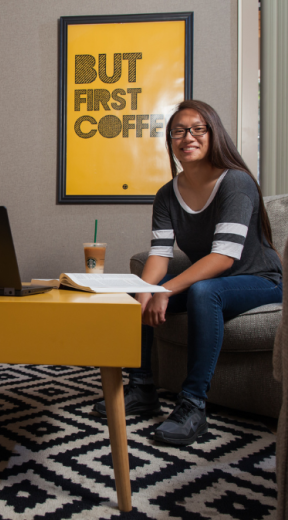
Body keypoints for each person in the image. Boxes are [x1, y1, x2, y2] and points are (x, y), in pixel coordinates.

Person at [94, 100, 283, 446]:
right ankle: (142, 387)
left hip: (260, 280)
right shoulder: (167, 194)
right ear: (170, 140)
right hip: (214, 282)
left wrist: (165, 291)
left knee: (202, 291)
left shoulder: (235, 182)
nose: (188, 137)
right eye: (178, 131)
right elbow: (160, 255)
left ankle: (193, 405)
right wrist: (145, 289)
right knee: (137, 290)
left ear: (214, 135)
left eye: (198, 129)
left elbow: (224, 258)